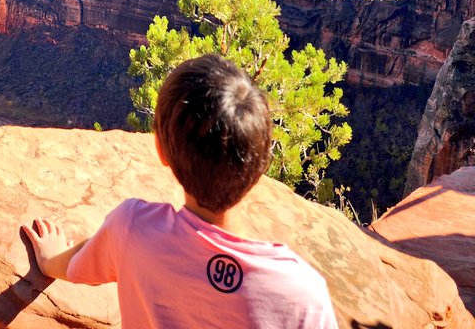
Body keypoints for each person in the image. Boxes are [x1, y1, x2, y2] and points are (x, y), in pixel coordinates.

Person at [23, 54, 338, 328]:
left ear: (161, 150)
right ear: (262, 164)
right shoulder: (302, 295)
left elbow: (75, 267)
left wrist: (48, 259)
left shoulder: (133, 228)